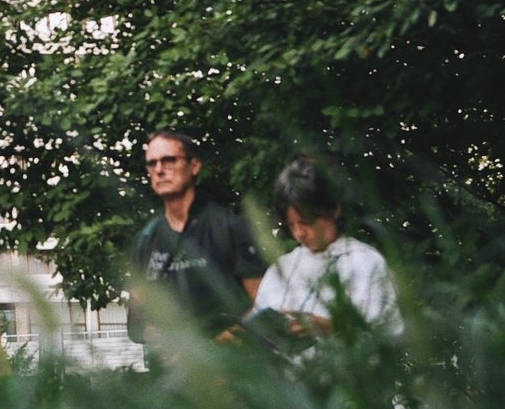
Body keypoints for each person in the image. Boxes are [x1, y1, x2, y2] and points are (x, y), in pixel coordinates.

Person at [126, 129, 266, 344]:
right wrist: (170, 342)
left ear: (194, 166)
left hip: (232, 360)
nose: (159, 170)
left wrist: (212, 345)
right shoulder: (145, 240)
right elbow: (136, 325)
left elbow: (262, 308)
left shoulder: (230, 227)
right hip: (171, 361)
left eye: (169, 160)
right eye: (152, 163)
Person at [246, 155, 401, 339]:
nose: (299, 233)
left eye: (306, 222)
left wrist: (332, 328)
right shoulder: (283, 267)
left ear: (334, 209)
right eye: (292, 224)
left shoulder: (366, 262)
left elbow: (387, 339)